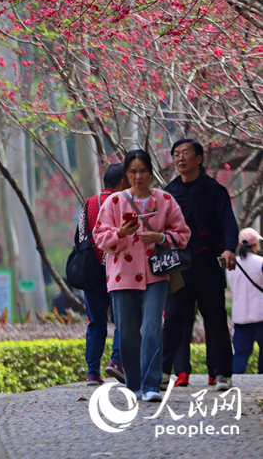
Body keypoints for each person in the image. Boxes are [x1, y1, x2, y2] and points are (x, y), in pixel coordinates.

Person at [94, 150, 191, 402]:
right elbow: (100, 237)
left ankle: (151, 385)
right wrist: (121, 232)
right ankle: (134, 385)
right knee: (126, 331)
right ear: (126, 174)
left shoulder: (166, 200)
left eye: (143, 171)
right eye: (133, 171)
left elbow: (183, 234)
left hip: (156, 273)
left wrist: (160, 237)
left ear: (150, 172)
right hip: (121, 275)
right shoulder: (114, 202)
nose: (139, 176)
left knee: (151, 328)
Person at [161, 139, 239, 391]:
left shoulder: (214, 190)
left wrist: (229, 248)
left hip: (207, 264)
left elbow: (228, 222)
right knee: (172, 319)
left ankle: (223, 374)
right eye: (176, 154)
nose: (180, 158)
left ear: (199, 159)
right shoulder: (169, 192)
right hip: (179, 266)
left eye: (186, 153)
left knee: (215, 318)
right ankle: (161, 372)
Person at [78, 163, 126, 386]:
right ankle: (116, 361)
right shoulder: (123, 203)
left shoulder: (88, 204)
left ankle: (92, 373)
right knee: (121, 320)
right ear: (122, 182)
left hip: (91, 273)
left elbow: (79, 238)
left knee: (96, 322)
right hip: (117, 269)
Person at [227, 228, 263, 374]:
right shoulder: (261, 262)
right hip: (261, 314)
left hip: (240, 316)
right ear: (256, 245)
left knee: (240, 354)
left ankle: (236, 382)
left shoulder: (230, 263)